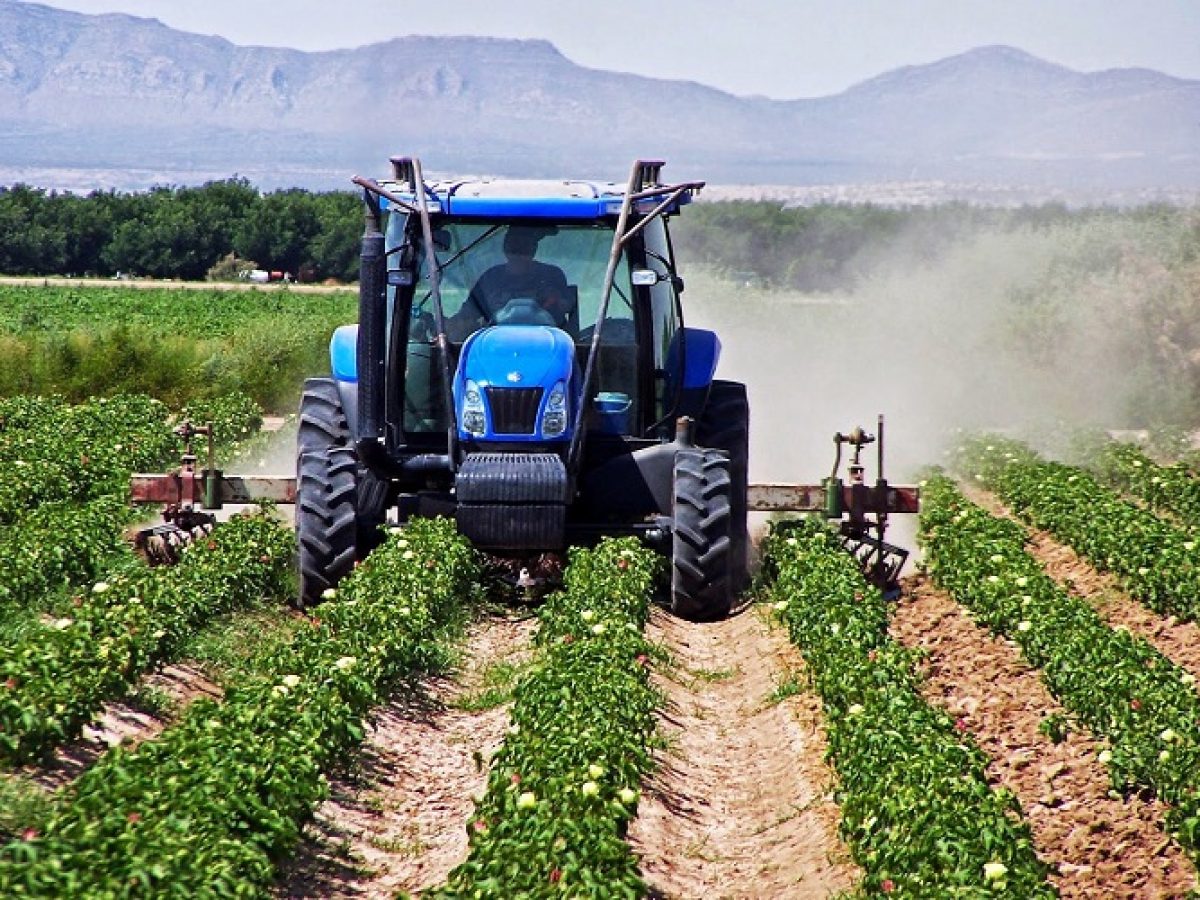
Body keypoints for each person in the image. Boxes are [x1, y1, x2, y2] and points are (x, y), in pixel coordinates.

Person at [460, 226, 571, 332]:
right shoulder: (490, 278)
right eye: (514, 243)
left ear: (533, 248)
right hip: (495, 344)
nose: (519, 250)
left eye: (525, 244)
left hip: (549, 343)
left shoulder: (552, 276)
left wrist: (556, 301)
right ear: (505, 246)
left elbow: (567, 310)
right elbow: (466, 316)